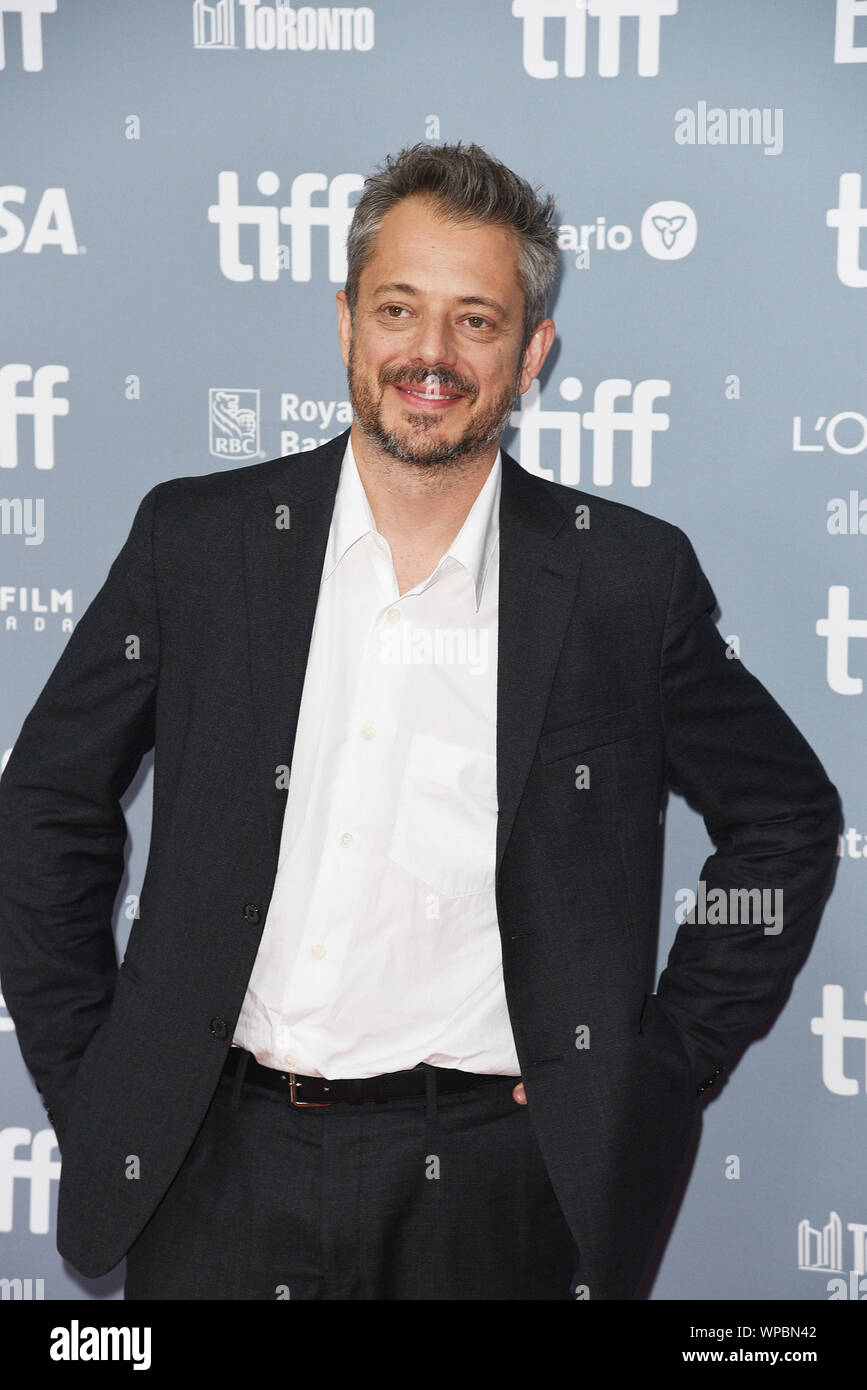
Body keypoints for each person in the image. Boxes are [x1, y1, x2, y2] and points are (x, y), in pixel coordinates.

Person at [0, 142, 840, 1301]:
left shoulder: (623, 582)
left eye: (476, 321)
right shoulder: (198, 546)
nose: (430, 356)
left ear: (533, 351)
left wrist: (664, 1059)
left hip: (496, 1189)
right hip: (214, 1174)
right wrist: (97, 1079)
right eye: (399, 309)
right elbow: (44, 806)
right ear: (347, 321)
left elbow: (788, 818)